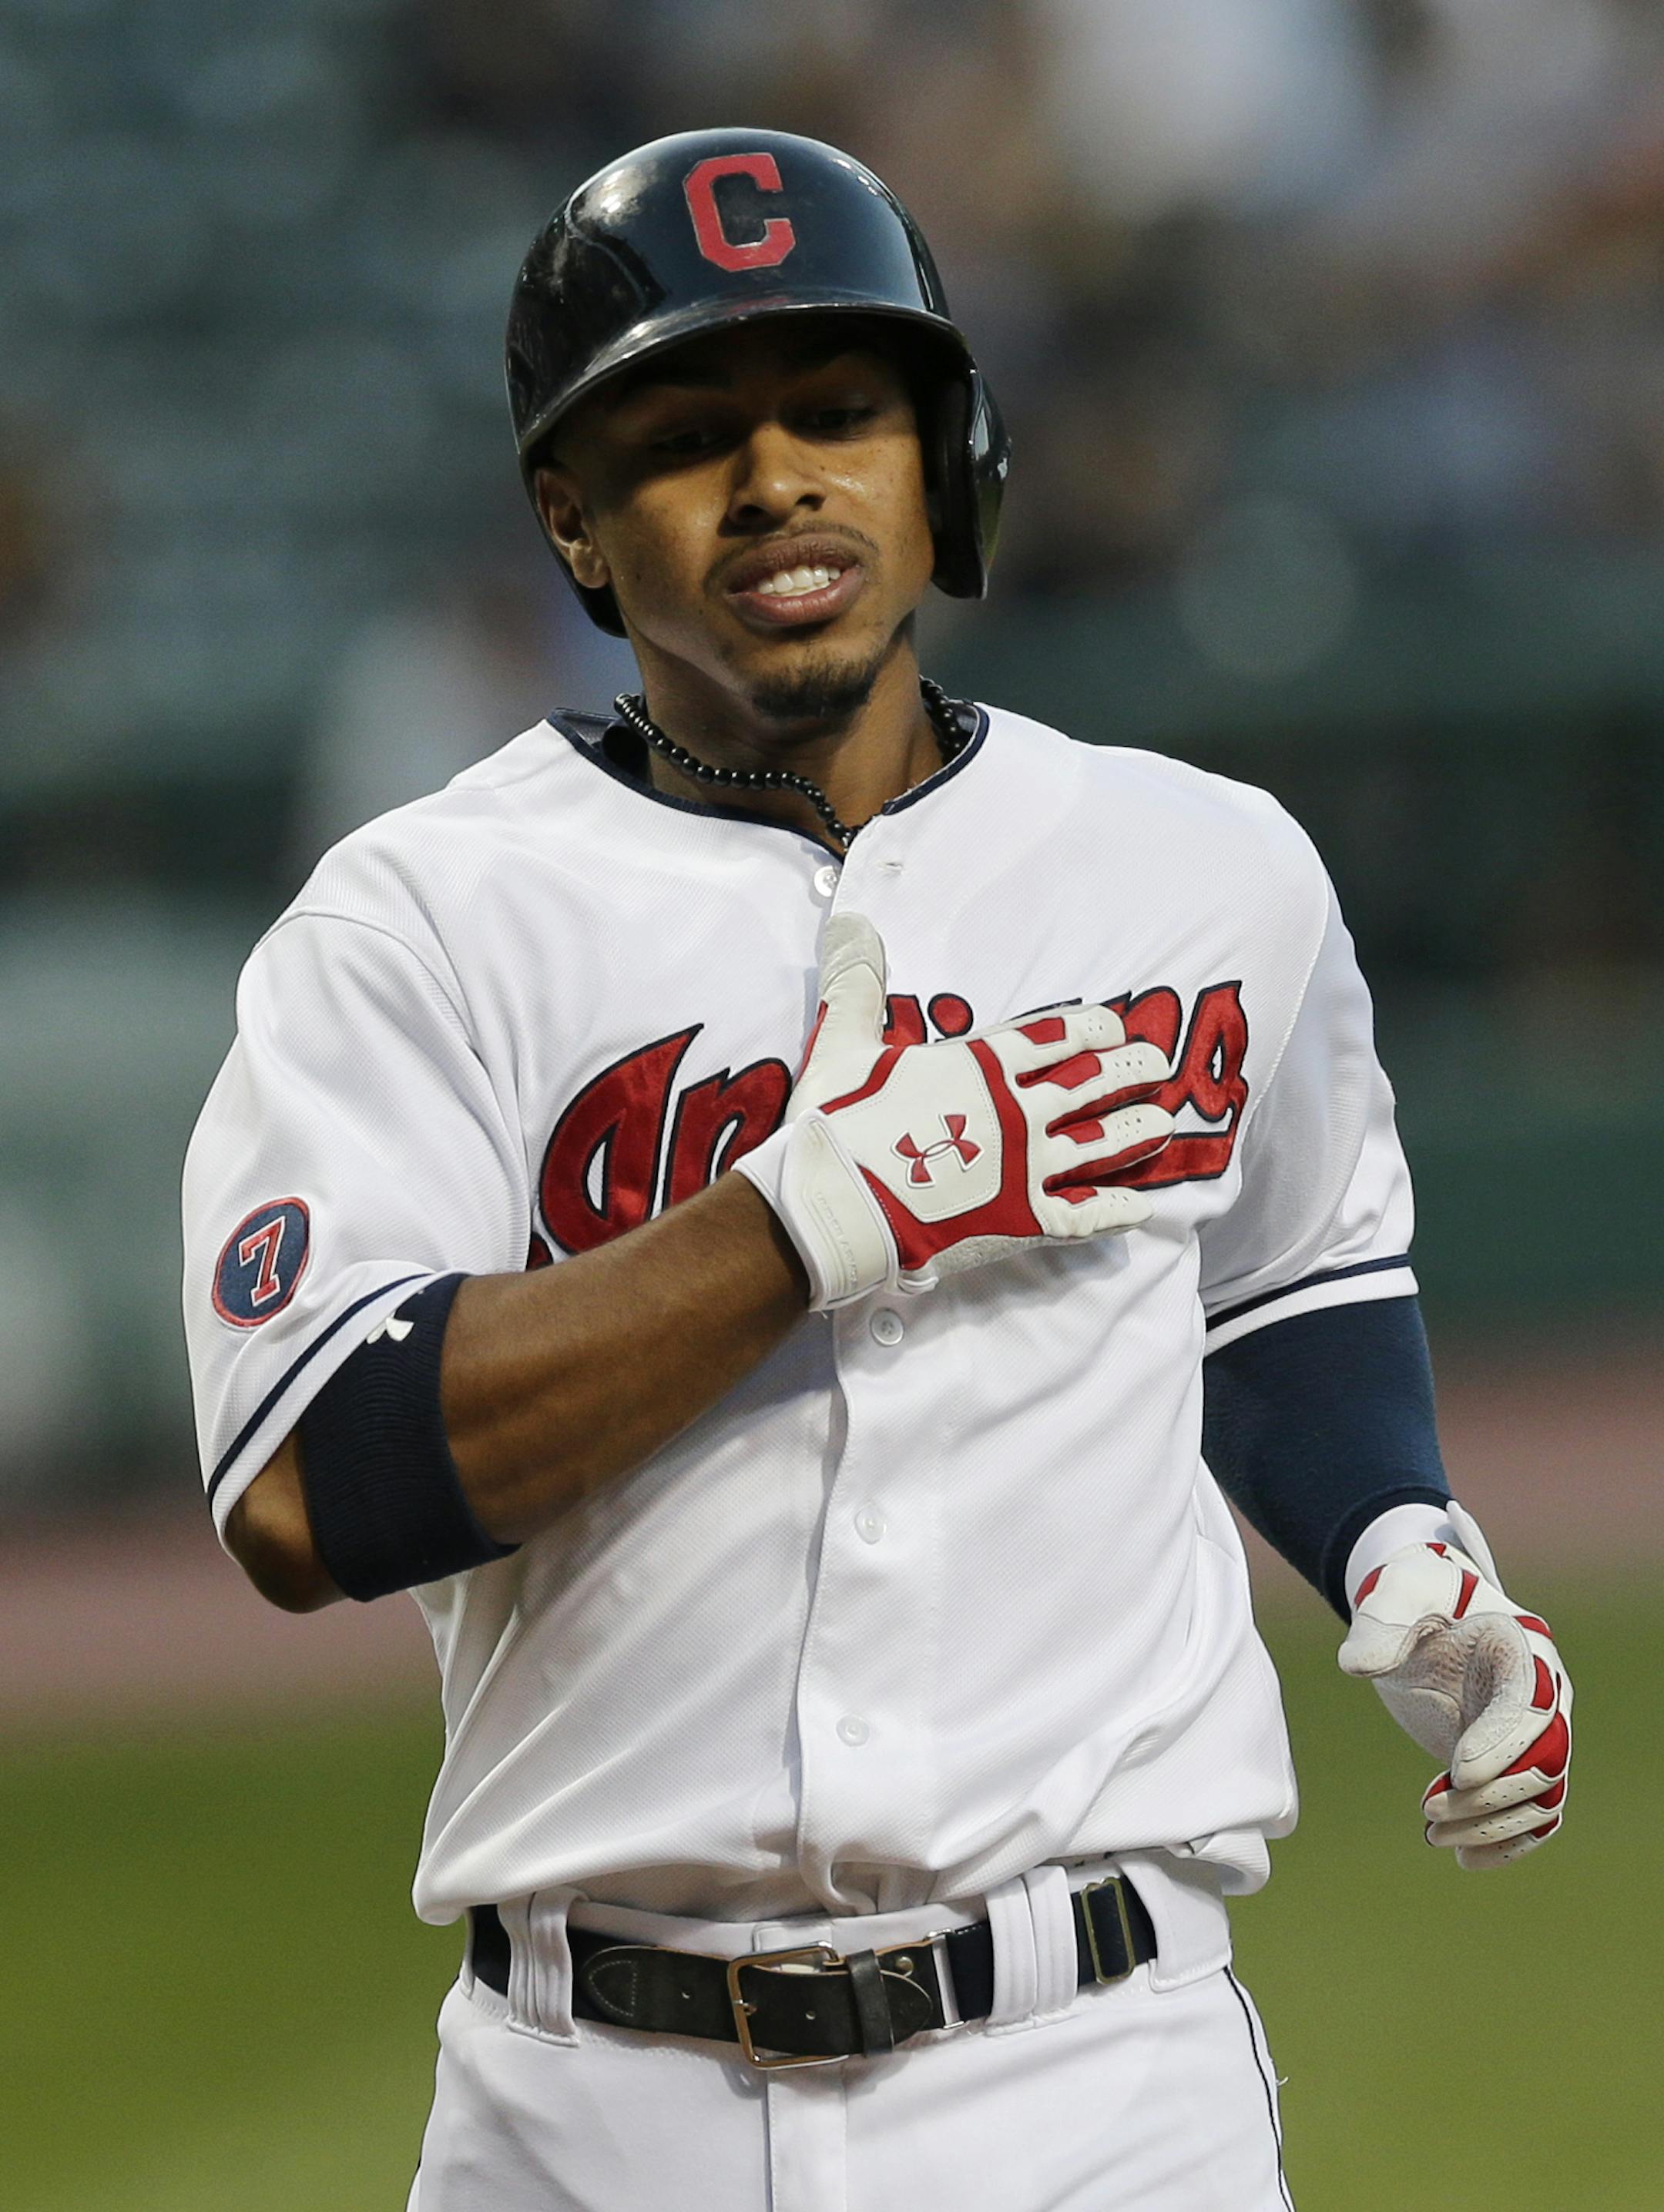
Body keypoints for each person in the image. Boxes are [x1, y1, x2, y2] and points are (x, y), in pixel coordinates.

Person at [182, 129, 1572, 2211]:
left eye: (842, 411)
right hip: (594, 2102)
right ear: (571, 518)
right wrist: (813, 1217)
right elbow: (313, 1486)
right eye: (682, 434)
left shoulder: (1206, 871)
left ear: (952, 459)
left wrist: (1398, 1544)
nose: (778, 481)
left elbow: (1288, 1291)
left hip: (1111, 2083)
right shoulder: (422, 925)